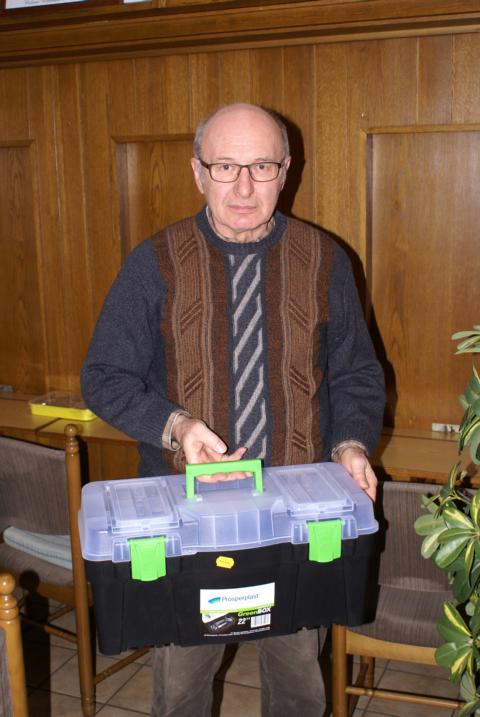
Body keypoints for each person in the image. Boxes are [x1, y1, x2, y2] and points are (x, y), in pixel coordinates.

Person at [81, 102, 385, 717]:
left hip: (297, 520)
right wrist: (176, 425)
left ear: (286, 171)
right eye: (225, 166)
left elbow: (356, 373)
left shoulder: (325, 259)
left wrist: (350, 445)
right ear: (198, 172)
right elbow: (103, 377)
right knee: (182, 690)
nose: (244, 186)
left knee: (299, 688)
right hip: (186, 523)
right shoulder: (154, 262)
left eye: (261, 166)